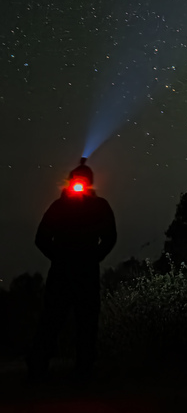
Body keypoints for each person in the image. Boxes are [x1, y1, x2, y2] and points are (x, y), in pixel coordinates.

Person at [28, 157, 117, 381]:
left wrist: (63, 257)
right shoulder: (70, 207)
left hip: (70, 272)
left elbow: (109, 238)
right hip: (77, 272)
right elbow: (41, 238)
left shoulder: (81, 207)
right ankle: (49, 370)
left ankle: (49, 371)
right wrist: (88, 257)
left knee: (70, 322)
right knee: (63, 322)